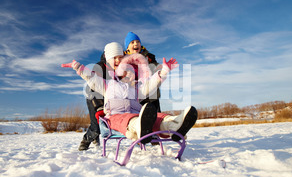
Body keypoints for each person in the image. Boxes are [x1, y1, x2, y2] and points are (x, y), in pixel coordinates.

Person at [65, 42, 197, 144]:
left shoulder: (136, 89)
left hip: (137, 115)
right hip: (114, 117)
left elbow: (150, 84)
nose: (128, 75)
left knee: (158, 117)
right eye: (114, 58)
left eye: (131, 73)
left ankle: (175, 124)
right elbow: (92, 79)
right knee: (129, 120)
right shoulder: (108, 85)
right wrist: (79, 68)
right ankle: (140, 128)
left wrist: (163, 73)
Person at [77, 42, 122, 151]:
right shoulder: (99, 67)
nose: (117, 60)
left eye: (120, 57)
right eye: (114, 57)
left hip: (109, 98)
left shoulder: (121, 69)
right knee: (97, 125)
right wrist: (100, 106)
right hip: (94, 97)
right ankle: (86, 140)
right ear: (108, 57)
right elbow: (93, 84)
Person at [123, 32, 162, 112]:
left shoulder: (148, 56)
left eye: (138, 42)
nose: (136, 44)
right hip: (137, 97)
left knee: (157, 118)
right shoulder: (124, 60)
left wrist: (160, 69)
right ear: (127, 47)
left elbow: (155, 66)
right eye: (132, 42)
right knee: (143, 120)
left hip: (152, 96)